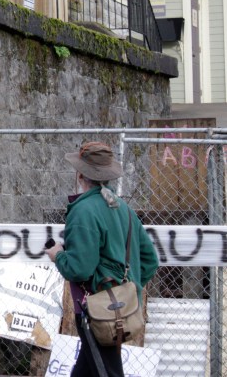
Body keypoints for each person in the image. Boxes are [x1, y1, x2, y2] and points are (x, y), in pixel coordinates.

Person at [45, 141, 159, 377]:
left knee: (107, 371)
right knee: (89, 368)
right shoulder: (124, 208)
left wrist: (58, 256)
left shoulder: (83, 210)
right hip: (118, 308)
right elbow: (150, 260)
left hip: (98, 311)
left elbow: (79, 269)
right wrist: (128, 290)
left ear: (80, 174)